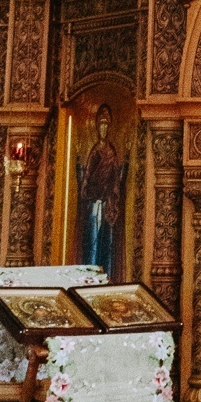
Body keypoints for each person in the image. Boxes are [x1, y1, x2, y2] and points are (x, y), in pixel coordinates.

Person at [76, 104, 126, 275]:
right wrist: (89, 189)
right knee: (93, 240)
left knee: (106, 241)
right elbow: (88, 176)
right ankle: (90, 273)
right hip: (94, 203)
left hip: (107, 203)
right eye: (101, 124)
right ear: (97, 127)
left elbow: (115, 180)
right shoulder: (95, 151)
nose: (104, 128)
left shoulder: (111, 151)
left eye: (106, 124)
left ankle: (107, 273)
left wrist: (122, 171)